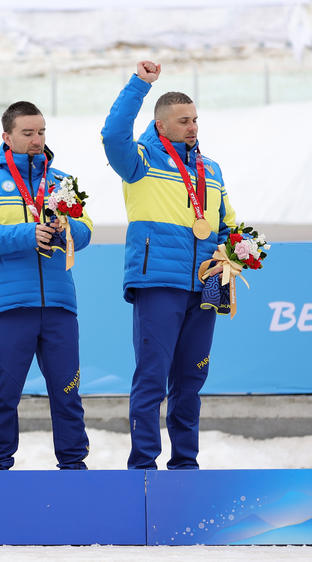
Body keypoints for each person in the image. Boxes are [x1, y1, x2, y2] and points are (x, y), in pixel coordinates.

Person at [101, 61, 237, 470]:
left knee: (192, 380)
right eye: (183, 121)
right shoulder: (139, 161)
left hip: (205, 286)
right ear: (162, 126)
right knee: (151, 378)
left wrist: (238, 248)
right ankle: (143, 463)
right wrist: (140, 84)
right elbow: (112, 133)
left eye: (195, 120)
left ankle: (185, 463)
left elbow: (226, 223)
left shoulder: (210, 170)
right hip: (158, 282)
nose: (193, 127)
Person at [0, 101, 92, 470]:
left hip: (59, 305)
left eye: (42, 132)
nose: (37, 139)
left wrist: (68, 229)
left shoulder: (62, 181)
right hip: (10, 306)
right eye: (28, 133)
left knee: (67, 392)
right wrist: (28, 233)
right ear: (7, 136)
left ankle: (73, 466)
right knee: (6, 392)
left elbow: (86, 232)